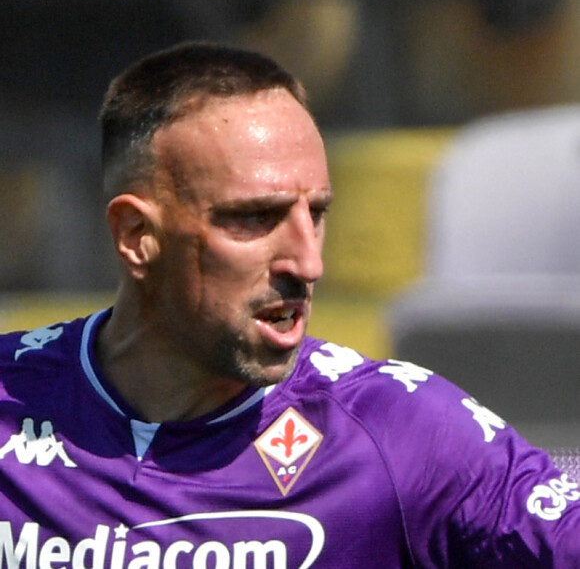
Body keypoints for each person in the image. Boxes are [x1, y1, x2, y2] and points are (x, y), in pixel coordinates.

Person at [0, 41, 578, 569]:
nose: (307, 264)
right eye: (255, 216)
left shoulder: (399, 432)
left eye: (316, 214)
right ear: (135, 235)